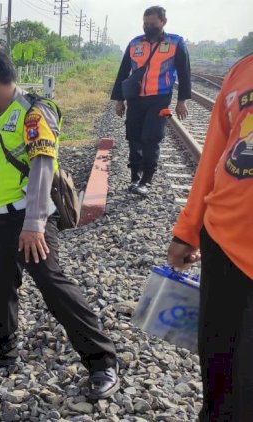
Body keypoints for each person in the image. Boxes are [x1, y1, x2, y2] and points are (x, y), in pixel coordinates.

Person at [0, 50, 120, 399]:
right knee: (2, 285)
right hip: (6, 220)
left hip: (29, 219)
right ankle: (2, 349)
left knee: (53, 286)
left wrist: (34, 223)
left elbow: (41, 167)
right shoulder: (0, 116)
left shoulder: (34, 112)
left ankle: (102, 361)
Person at [167, 53, 253, 420]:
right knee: (218, 372)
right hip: (223, 244)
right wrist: (188, 230)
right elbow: (214, 157)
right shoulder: (243, 70)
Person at [110, 6, 191, 195]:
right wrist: (119, 100)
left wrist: (182, 101)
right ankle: (134, 178)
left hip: (160, 99)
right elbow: (123, 72)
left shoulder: (175, 43)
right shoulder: (135, 43)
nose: (148, 27)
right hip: (136, 98)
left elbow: (185, 73)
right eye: (145, 24)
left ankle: (146, 181)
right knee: (133, 137)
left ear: (163, 22)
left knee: (151, 138)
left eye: (152, 24)